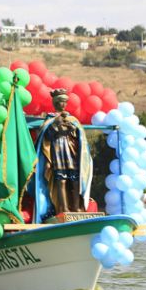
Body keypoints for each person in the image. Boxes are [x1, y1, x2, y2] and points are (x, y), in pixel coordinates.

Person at [28, 88, 93, 223]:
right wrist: (55, 125)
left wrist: (73, 129)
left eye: (64, 102)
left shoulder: (72, 119)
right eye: (59, 102)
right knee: (61, 180)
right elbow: (45, 135)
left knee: (75, 179)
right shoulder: (50, 119)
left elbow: (80, 136)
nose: (62, 104)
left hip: (71, 152)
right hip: (57, 152)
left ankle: (77, 207)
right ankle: (63, 208)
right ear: (55, 103)